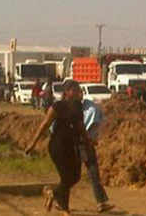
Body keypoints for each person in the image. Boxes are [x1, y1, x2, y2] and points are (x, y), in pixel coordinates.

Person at [25, 80, 91, 216]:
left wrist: (88, 141)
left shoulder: (78, 107)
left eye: (79, 90)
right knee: (66, 176)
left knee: (76, 176)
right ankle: (65, 208)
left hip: (72, 145)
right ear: (67, 92)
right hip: (58, 146)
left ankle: (52, 193)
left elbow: (80, 126)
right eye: (75, 89)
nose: (78, 92)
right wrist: (33, 143)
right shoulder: (57, 106)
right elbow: (44, 125)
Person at [78, 98, 114, 213]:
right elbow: (85, 133)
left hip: (83, 145)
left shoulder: (86, 111)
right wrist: (91, 141)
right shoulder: (90, 113)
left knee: (90, 174)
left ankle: (101, 202)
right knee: (91, 173)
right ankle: (56, 194)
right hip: (85, 146)